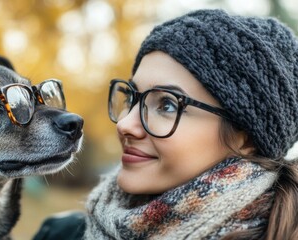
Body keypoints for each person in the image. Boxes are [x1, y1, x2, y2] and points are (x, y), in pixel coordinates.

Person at [33, 9, 298, 240]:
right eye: (132, 98)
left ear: (246, 138)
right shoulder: (61, 234)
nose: (125, 124)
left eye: (167, 105)